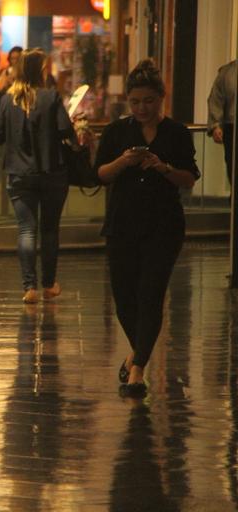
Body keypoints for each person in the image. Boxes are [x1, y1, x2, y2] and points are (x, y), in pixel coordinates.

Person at [95, 59, 199, 397]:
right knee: (125, 298)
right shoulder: (116, 132)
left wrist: (163, 167)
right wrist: (124, 161)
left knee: (151, 293)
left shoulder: (177, 134)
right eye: (135, 101)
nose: (142, 108)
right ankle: (136, 353)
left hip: (163, 226)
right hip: (122, 225)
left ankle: (138, 368)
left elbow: (189, 179)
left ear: (161, 98)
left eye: (149, 101)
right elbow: (100, 174)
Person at [0, 48, 81, 304]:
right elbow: (65, 130)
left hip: (19, 174)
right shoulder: (50, 97)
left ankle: (29, 287)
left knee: (26, 230)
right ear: (40, 71)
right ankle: (49, 284)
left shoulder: (8, 100)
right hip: (52, 171)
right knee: (50, 229)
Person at [207, 59, 236, 184]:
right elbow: (216, 99)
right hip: (233, 128)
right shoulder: (228, 72)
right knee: (234, 172)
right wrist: (215, 125)